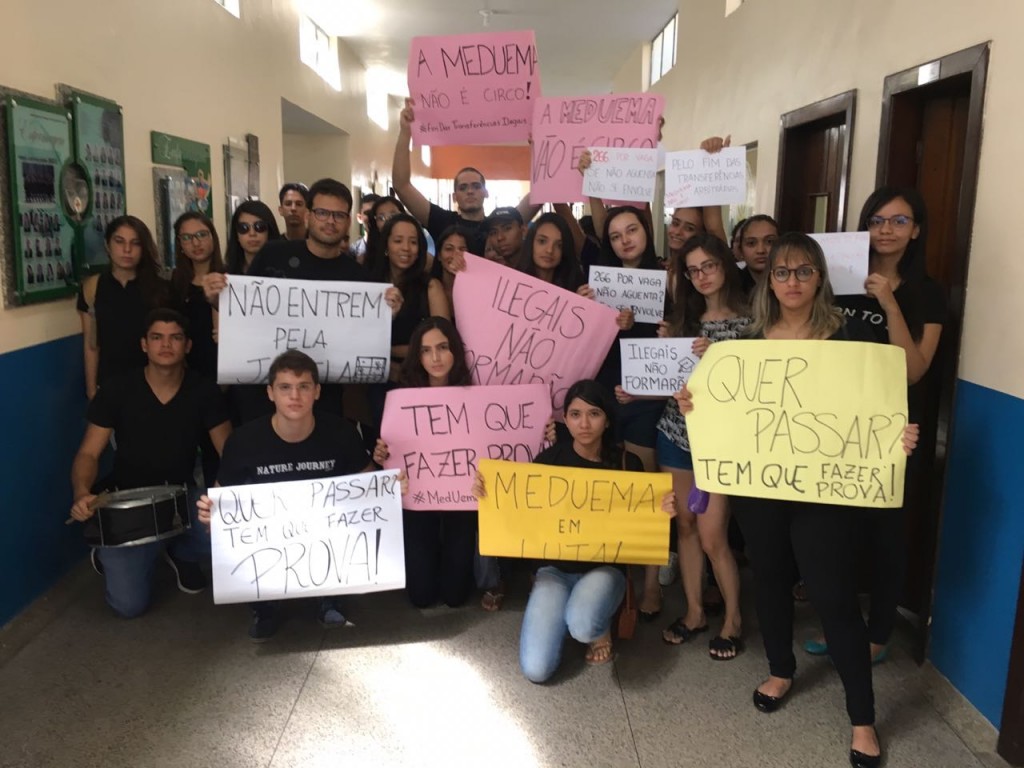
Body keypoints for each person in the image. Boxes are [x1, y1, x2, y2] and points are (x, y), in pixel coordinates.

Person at [674, 232, 919, 768]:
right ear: (768, 279)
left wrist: (893, 436)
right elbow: (723, 407)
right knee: (771, 578)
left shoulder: (847, 336)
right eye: (781, 272)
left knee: (833, 597)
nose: (791, 282)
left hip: (825, 494)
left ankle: (862, 719)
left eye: (803, 271)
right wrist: (695, 402)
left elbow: (885, 396)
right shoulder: (750, 341)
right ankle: (781, 669)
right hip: (761, 488)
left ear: (820, 277)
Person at [805, 187, 945, 664]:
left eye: (899, 221)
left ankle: (878, 634)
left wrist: (890, 303)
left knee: (884, 535)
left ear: (916, 230)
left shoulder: (927, 292)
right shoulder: (840, 277)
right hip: (833, 424)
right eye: (877, 220)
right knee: (837, 536)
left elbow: (915, 369)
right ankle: (842, 628)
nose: (886, 230)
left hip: (892, 430)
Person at [473, 379, 677, 682]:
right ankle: (573, 609)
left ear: (607, 420)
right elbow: (521, 514)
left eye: (594, 414)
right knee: (536, 670)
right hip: (553, 571)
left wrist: (663, 512)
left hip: (605, 570)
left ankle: (598, 625)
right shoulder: (548, 462)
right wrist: (487, 495)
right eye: (575, 414)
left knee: (582, 625)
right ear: (565, 419)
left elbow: (643, 524)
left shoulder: (626, 464)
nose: (584, 424)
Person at [196, 350, 401, 641]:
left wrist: (391, 489)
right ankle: (264, 603)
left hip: (328, 531)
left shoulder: (341, 432)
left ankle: (330, 595)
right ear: (270, 393)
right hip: (271, 536)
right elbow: (221, 496)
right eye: (285, 387)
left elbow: (369, 483)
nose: (295, 396)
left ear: (317, 392)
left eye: (304, 386)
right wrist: (210, 514)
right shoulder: (243, 441)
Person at [69, 309, 231, 618]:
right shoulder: (117, 390)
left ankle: (178, 550)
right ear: (144, 345)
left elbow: (229, 450)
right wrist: (81, 492)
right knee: (128, 607)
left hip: (181, 497)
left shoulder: (203, 391)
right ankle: (108, 552)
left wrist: (233, 496)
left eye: (175, 338)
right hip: (127, 504)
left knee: (229, 532)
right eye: (157, 338)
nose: (166, 345)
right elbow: (88, 454)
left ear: (188, 346)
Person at [201, 178, 404, 421]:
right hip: (263, 392)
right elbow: (246, 312)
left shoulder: (358, 277)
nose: (330, 221)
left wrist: (385, 315)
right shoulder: (273, 255)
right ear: (308, 216)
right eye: (322, 213)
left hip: (323, 397)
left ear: (349, 221)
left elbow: (364, 338)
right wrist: (217, 299)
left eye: (339, 215)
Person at [655, 234, 749, 659]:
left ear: (726, 265)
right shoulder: (680, 324)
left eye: (708, 266)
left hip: (721, 445)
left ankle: (733, 618)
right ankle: (694, 612)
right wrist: (661, 358)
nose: (701, 276)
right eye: (693, 270)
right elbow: (666, 383)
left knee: (714, 537)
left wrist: (719, 358)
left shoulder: (752, 324)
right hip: (676, 435)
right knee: (686, 528)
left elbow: (754, 390)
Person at [582, 206, 664, 621]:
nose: (625, 240)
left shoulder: (669, 281)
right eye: (615, 236)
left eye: (632, 230)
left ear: (646, 231)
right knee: (612, 495)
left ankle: (650, 582)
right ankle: (612, 576)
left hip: (646, 404)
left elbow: (676, 357)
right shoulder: (601, 284)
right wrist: (586, 311)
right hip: (606, 400)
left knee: (647, 494)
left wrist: (664, 329)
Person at [372, 318, 477, 608]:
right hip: (418, 498)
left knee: (456, 598)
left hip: (462, 500)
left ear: (455, 351)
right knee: (421, 597)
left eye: (443, 348)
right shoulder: (398, 401)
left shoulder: (477, 397)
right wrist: (381, 455)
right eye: (426, 350)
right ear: (417, 357)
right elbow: (389, 451)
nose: (435, 358)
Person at [77, 216, 171, 400]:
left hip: (156, 386)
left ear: (143, 248)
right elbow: (91, 345)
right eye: (119, 241)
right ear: (107, 245)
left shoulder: (161, 289)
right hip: (110, 385)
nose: (127, 250)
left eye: (135, 243)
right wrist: (91, 392)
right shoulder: (92, 288)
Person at [513, 212, 585, 292]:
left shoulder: (576, 286)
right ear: (531, 242)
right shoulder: (512, 284)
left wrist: (579, 301)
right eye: (542, 241)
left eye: (559, 245)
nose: (550, 250)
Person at [224, 200, 282, 275]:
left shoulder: (285, 272)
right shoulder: (225, 275)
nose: (252, 233)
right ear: (236, 235)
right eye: (243, 228)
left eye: (259, 226)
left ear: (269, 231)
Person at [351, 192, 380, 263]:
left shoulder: (393, 249)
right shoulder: (352, 252)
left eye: (376, 213)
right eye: (368, 213)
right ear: (359, 218)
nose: (372, 217)